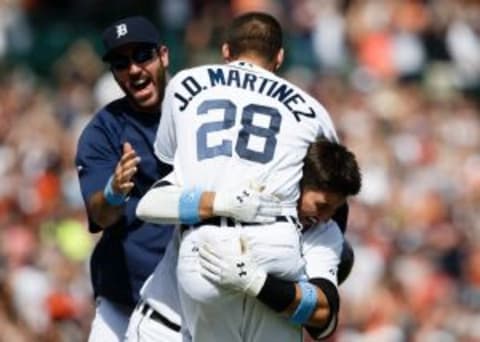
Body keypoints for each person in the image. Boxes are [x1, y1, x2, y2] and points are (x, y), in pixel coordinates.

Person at [149, 11, 340, 341]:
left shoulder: (183, 83)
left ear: (226, 52)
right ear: (279, 57)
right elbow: (328, 177)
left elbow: (165, 164)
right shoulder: (313, 110)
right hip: (276, 243)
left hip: (204, 249)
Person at [132, 138, 362, 341]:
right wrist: (221, 203)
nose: (325, 218)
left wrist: (257, 282)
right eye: (321, 206)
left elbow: (323, 315)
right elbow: (148, 204)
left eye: (335, 209)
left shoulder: (324, 233)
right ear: (296, 184)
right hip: (166, 329)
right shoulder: (233, 180)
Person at [75, 16, 174, 341]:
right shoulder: (103, 130)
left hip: (189, 303)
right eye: (120, 63)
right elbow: (100, 215)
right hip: (123, 303)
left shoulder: (198, 114)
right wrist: (114, 191)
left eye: (142, 56)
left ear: (164, 55)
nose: (133, 69)